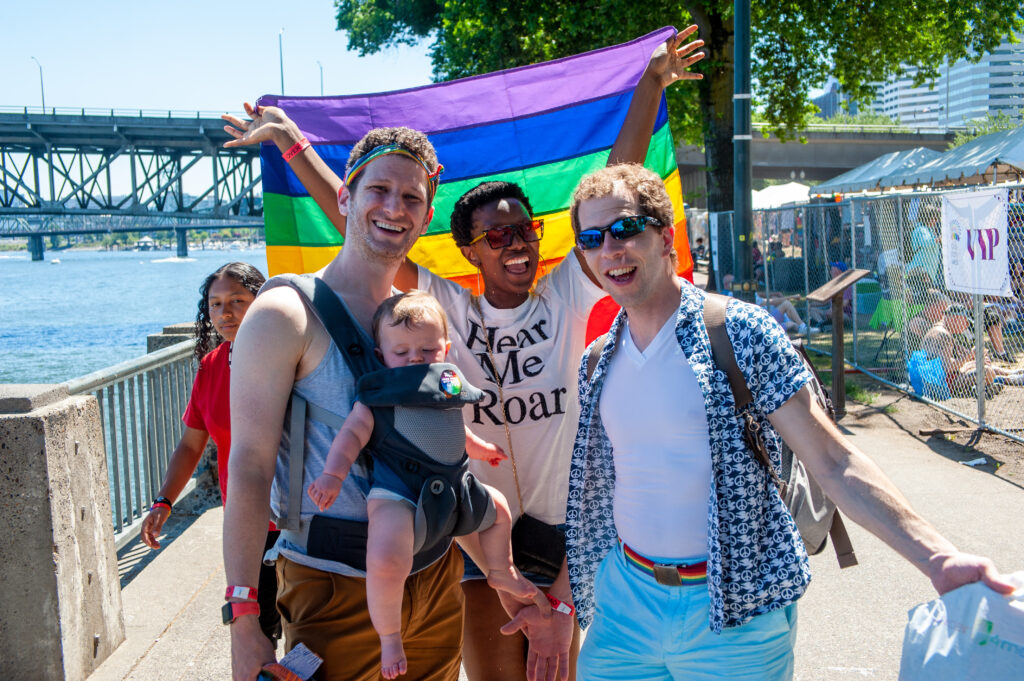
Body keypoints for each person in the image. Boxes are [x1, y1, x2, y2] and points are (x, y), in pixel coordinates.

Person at [223, 26, 706, 681]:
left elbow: (612, 190)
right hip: (439, 548)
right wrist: (294, 145)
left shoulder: (564, 295)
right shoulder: (435, 311)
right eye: (497, 233)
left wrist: (649, 84)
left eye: (528, 229)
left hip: (534, 536)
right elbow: (365, 226)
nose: (517, 242)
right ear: (467, 247)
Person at [556, 162, 1015, 681]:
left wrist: (938, 557)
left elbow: (833, 459)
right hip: (626, 607)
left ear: (666, 239)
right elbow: (595, 497)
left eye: (625, 229)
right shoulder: (598, 359)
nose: (610, 249)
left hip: (738, 607)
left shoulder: (739, 331)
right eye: (592, 239)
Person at [218, 126, 549, 681]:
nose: (394, 208)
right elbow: (248, 467)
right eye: (378, 190)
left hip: (437, 576)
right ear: (345, 197)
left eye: (412, 198)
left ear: (425, 215)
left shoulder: (418, 323)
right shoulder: (285, 313)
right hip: (332, 587)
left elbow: (430, 461)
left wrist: (498, 570)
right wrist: (243, 619)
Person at [305, 290, 546, 679]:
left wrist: (481, 449)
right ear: (381, 355)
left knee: (498, 508)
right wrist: (333, 475)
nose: (415, 359)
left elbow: (455, 428)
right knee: (385, 558)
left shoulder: (448, 384)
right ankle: (389, 635)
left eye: (428, 350)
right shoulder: (379, 393)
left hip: (455, 486)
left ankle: (500, 569)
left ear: (446, 349)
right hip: (399, 492)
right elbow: (352, 435)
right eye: (402, 352)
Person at [139, 262, 280, 641]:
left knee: (309, 636)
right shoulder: (211, 367)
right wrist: (163, 502)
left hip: (302, 519)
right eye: (215, 304)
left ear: (262, 302)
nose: (226, 312)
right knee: (255, 634)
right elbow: (190, 444)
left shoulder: (290, 359)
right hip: (247, 524)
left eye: (238, 300)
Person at [920, 304, 1024, 398]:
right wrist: (970, 355)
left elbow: (950, 360)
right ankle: (1002, 380)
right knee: (986, 371)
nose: (966, 325)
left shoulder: (941, 329)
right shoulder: (944, 335)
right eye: (965, 321)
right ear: (956, 319)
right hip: (939, 382)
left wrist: (973, 357)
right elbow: (948, 367)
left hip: (932, 376)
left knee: (976, 363)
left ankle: (1010, 374)